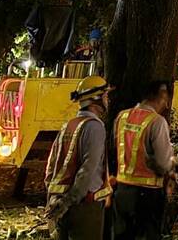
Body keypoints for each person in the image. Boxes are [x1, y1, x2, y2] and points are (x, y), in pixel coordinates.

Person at [44, 75, 113, 240]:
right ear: (95, 99)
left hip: (59, 203)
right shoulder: (95, 127)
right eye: (105, 95)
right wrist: (70, 201)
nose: (107, 100)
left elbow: (51, 165)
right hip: (84, 206)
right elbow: (87, 170)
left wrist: (55, 198)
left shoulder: (68, 125)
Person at [112, 80, 178, 240]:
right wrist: (175, 165)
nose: (166, 104)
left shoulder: (122, 116)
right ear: (162, 96)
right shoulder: (157, 122)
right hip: (147, 195)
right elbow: (163, 164)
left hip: (122, 190)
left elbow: (114, 148)